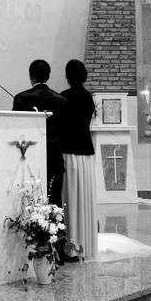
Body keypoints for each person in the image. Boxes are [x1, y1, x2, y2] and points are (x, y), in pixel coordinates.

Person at [12, 60, 67, 207]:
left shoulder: (21, 98)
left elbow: (15, 129)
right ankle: (56, 229)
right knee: (54, 199)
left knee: (30, 199)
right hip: (55, 157)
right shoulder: (62, 101)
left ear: (31, 76)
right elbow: (65, 130)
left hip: (30, 158)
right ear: (48, 75)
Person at [60, 60, 98, 259]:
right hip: (86, 153)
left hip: (69, 152)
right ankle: (85, 242)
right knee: (84, 197)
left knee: (70, 197)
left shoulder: (64, 97)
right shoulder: (88, 98)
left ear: (67, 75)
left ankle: (70, 245)